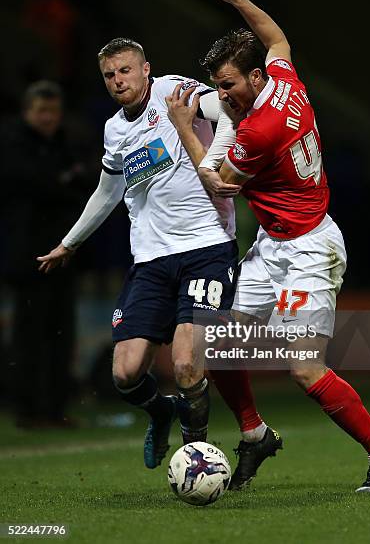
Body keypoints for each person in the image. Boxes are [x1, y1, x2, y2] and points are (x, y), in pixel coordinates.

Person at [166, 0, 370, 493]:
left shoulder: (258, 128)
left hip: (309, 247)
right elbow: (276, 38)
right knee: (224, 344)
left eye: (227, 85)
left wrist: (189, 127)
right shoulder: (281, 79)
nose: (222, 94)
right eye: (217, 87)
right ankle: (254, 434)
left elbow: (221, 184)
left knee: (302, 368)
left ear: (253, 80)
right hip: (273, 244)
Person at [37, 38, 282, 482]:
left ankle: (198, 463)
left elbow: (229, 107)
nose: (118, 81)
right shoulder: (115, 129)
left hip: (206, 248)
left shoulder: (177, 92)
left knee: (188, 364)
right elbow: (108, 191)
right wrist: (70, 243)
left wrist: (219, 162)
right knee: (126, 373)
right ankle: (161, 412)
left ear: (146, 69)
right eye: (110, 75)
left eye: (126, 71)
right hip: (150, 259)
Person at [1, 80, 89, 427]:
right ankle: (27, 410)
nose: (48, 117)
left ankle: (55, 409)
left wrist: (60, 182)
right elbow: (34, 182)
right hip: (26, 256)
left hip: (63, 253)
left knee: (60, 333)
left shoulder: (66, 142)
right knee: (29, 335)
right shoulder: (12, 144)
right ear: (27, 112)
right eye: (41, 110)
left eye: (53, 110)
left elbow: (85, 180)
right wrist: (63, 181)